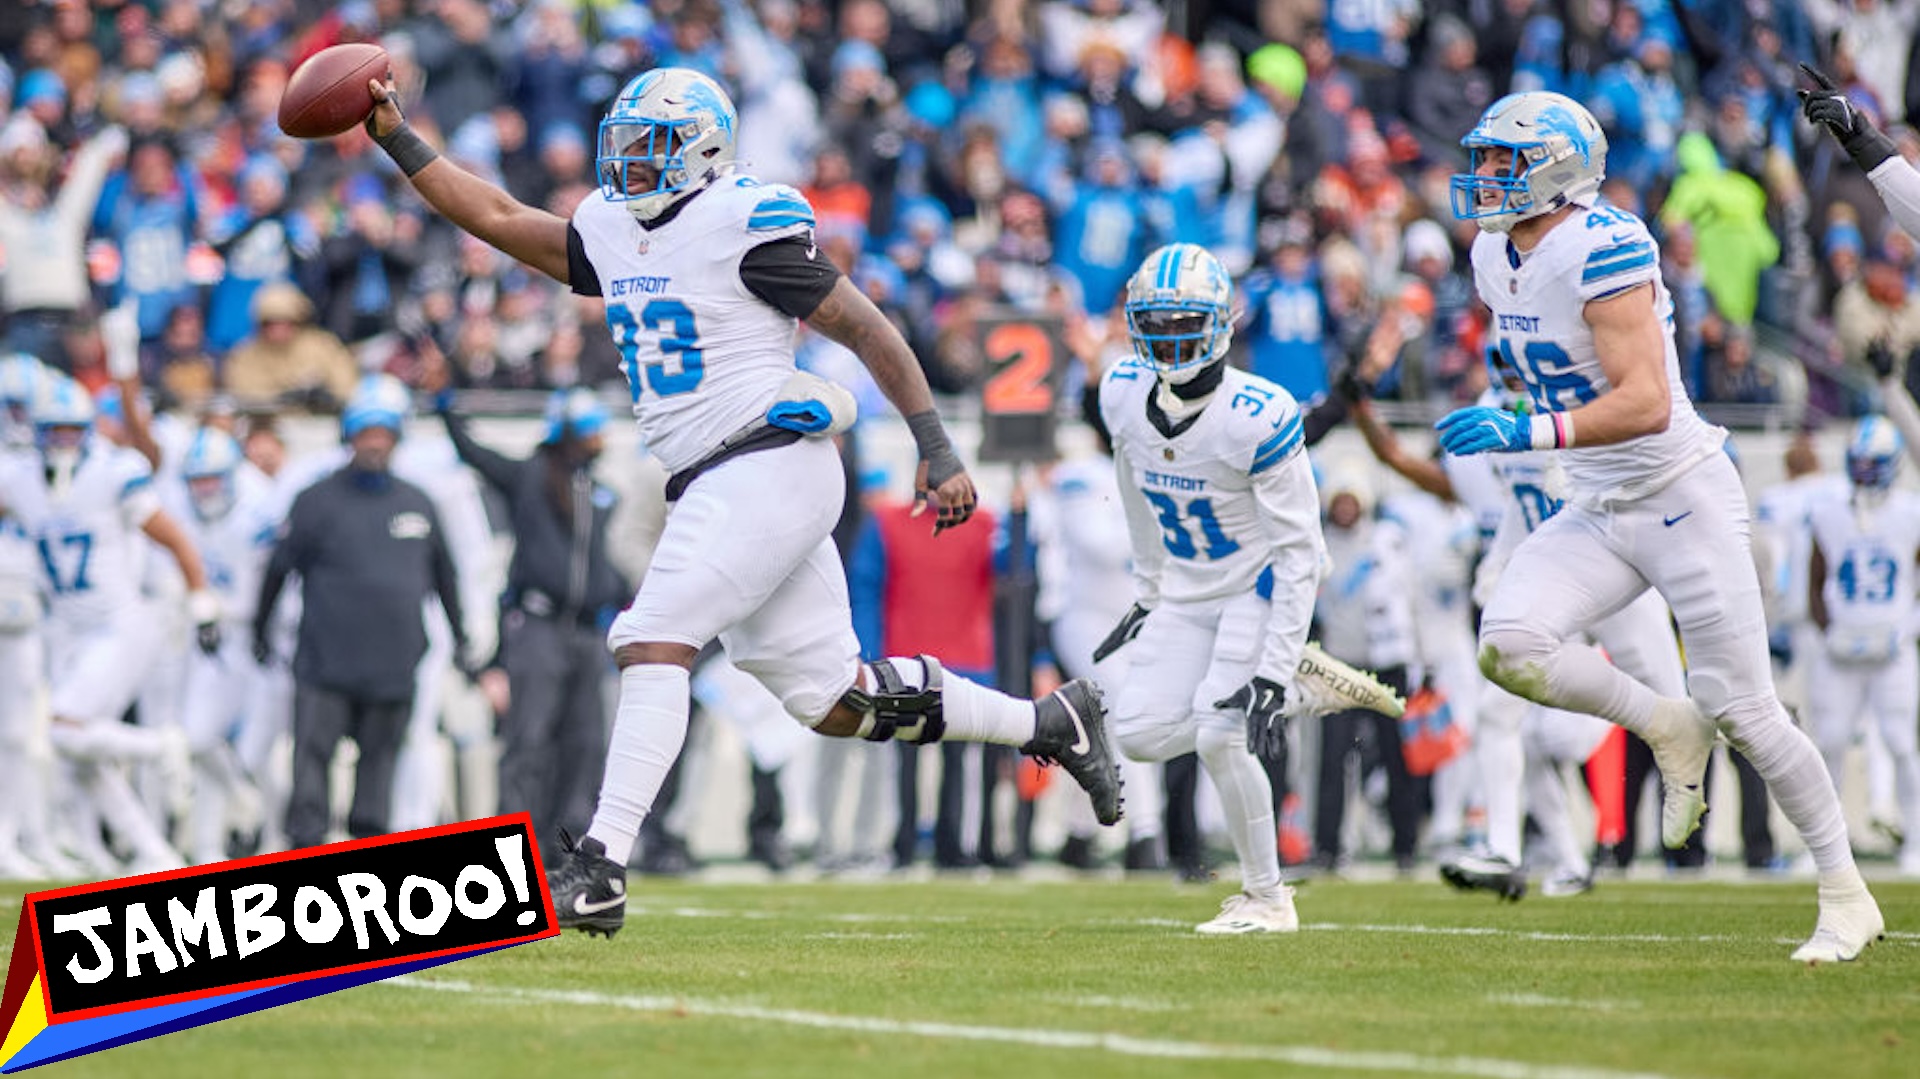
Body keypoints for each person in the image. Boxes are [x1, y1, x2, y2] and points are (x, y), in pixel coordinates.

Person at [353, 66, 1123, 936]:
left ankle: (601, 865)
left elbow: (868, 325)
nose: (631, 166)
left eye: (651, 150)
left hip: (767, 458)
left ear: (703, 151)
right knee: (837, 701)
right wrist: (397, 138)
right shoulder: (609, 227)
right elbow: (493, 217)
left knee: (651, 637)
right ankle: (1051, 720)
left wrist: (936, 446)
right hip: (718, 476)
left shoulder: (745, 223)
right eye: (625, 148)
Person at [1439, 91, 1880, 961]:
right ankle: (1666, 726)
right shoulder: (1498, 252)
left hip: (1680, 493)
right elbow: (1553, 362)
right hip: (1599, 502)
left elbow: (1642, 401)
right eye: (1484, 158)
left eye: (1504, 161)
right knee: (1510, 643)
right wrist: (1529, 406)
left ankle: (1845, 889)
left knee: (1746, 708)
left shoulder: (1604, 245)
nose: (1485, 175)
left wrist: (1531, 429)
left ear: (1560, 168)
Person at [1094, 242, 1403, 934]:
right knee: (1140, 733)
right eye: (1158, 324)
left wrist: (1269, 658)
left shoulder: (1257, 412)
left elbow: (1302, 552)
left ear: (1221, 323)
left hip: (1254, 590)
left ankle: (1268, 897)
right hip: (1187, 590)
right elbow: (1132, 490)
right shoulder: (1119, 392)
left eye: (1186, 324)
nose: (1171, 340)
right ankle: (1301, 689)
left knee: (1217, 733)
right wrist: (1148, 588)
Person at [0, 373, 219, 874]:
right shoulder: (19, 478)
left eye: (71, 431)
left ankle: (161, 745)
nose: (62, 442)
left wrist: (200, 595)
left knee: (61, 731)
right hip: (67, 632)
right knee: (80, 759)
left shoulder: (111, 472)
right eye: (53, 431)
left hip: (120, 626)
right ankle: (154, 853)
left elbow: (175, 538)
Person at [253, 374, 472, 852]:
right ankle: (305, 849)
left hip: (393, 664)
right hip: (325, 661)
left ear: (397, 438)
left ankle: (366, 852)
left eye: (384, 433)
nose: (375, 443)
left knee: (380, 766)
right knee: (311, 762)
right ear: (349, 436)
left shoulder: (418, 501)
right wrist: (260, 628)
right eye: (366, 433)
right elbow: (278, 570)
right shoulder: (316, 500)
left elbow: (445, 577)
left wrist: (462, 638)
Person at [440, 386, 630, 863]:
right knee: (529, 741)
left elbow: (606, 564)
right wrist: (449, 404)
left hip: (586, 633)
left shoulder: (603, 492)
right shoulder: (530, 477)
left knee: (584, 743)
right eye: (587, 432)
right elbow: (474, 452)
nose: (597, 441)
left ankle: (564, 851)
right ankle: (512, 850)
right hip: (539, 627)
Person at [1805, 417, 1920, 875]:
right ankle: (1826, 852)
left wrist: (1909, 627)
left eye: (1874, 465)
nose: (1865, 472)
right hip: (1842, 648)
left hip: (1892, 649)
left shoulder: (1911, 511)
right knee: (1827, 743)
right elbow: (1816, 581)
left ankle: (1915, 843)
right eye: (1860, 464)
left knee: (1900, 742)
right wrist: (1826, 628)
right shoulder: (1828, 512)